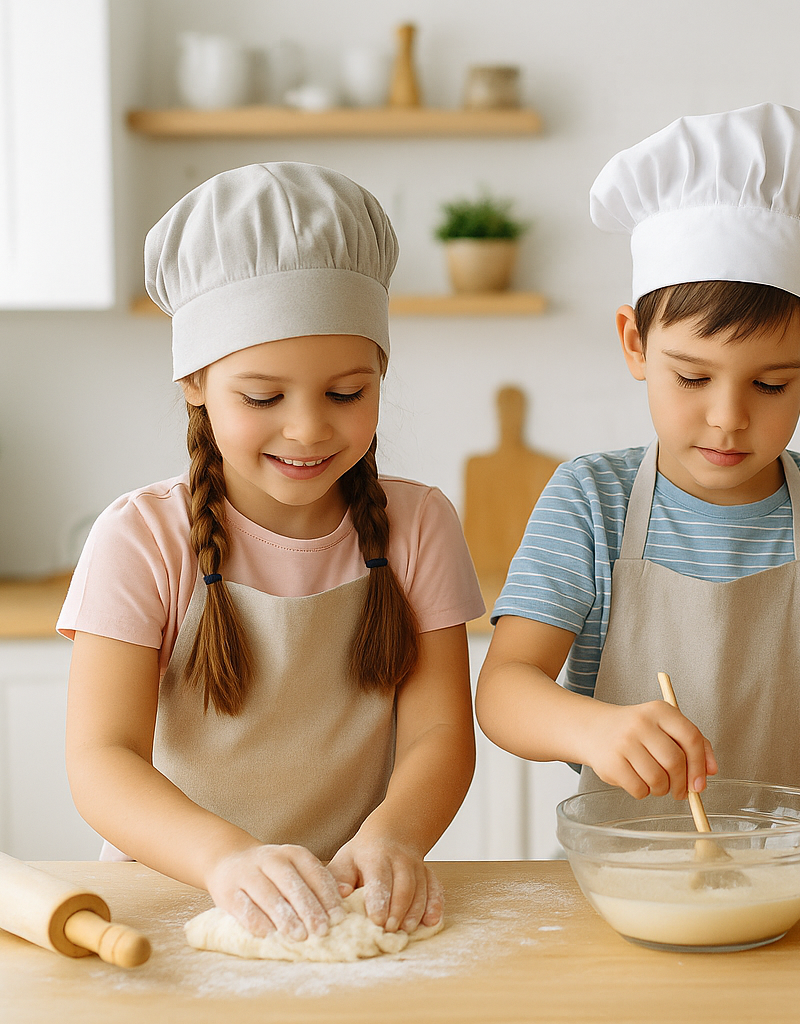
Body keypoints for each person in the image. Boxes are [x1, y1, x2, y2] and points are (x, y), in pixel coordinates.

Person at [475, 104, 800, 899]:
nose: (728, 416)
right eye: (692, 377)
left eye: (771, 383)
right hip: (625, 886)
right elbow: (505, 689)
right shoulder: (589, 500)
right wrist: (594, 727)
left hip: (799, 885)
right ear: (632, 343)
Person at [60, 163, 487, 940]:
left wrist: (392, 837)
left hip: (346, 903)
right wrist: (224, 859)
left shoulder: (418, 525)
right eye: (263, 397)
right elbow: (102, 759)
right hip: (165, 899)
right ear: (195, 380)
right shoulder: (142, 538)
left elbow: (439, 735)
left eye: (346, 393)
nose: (308, 429)